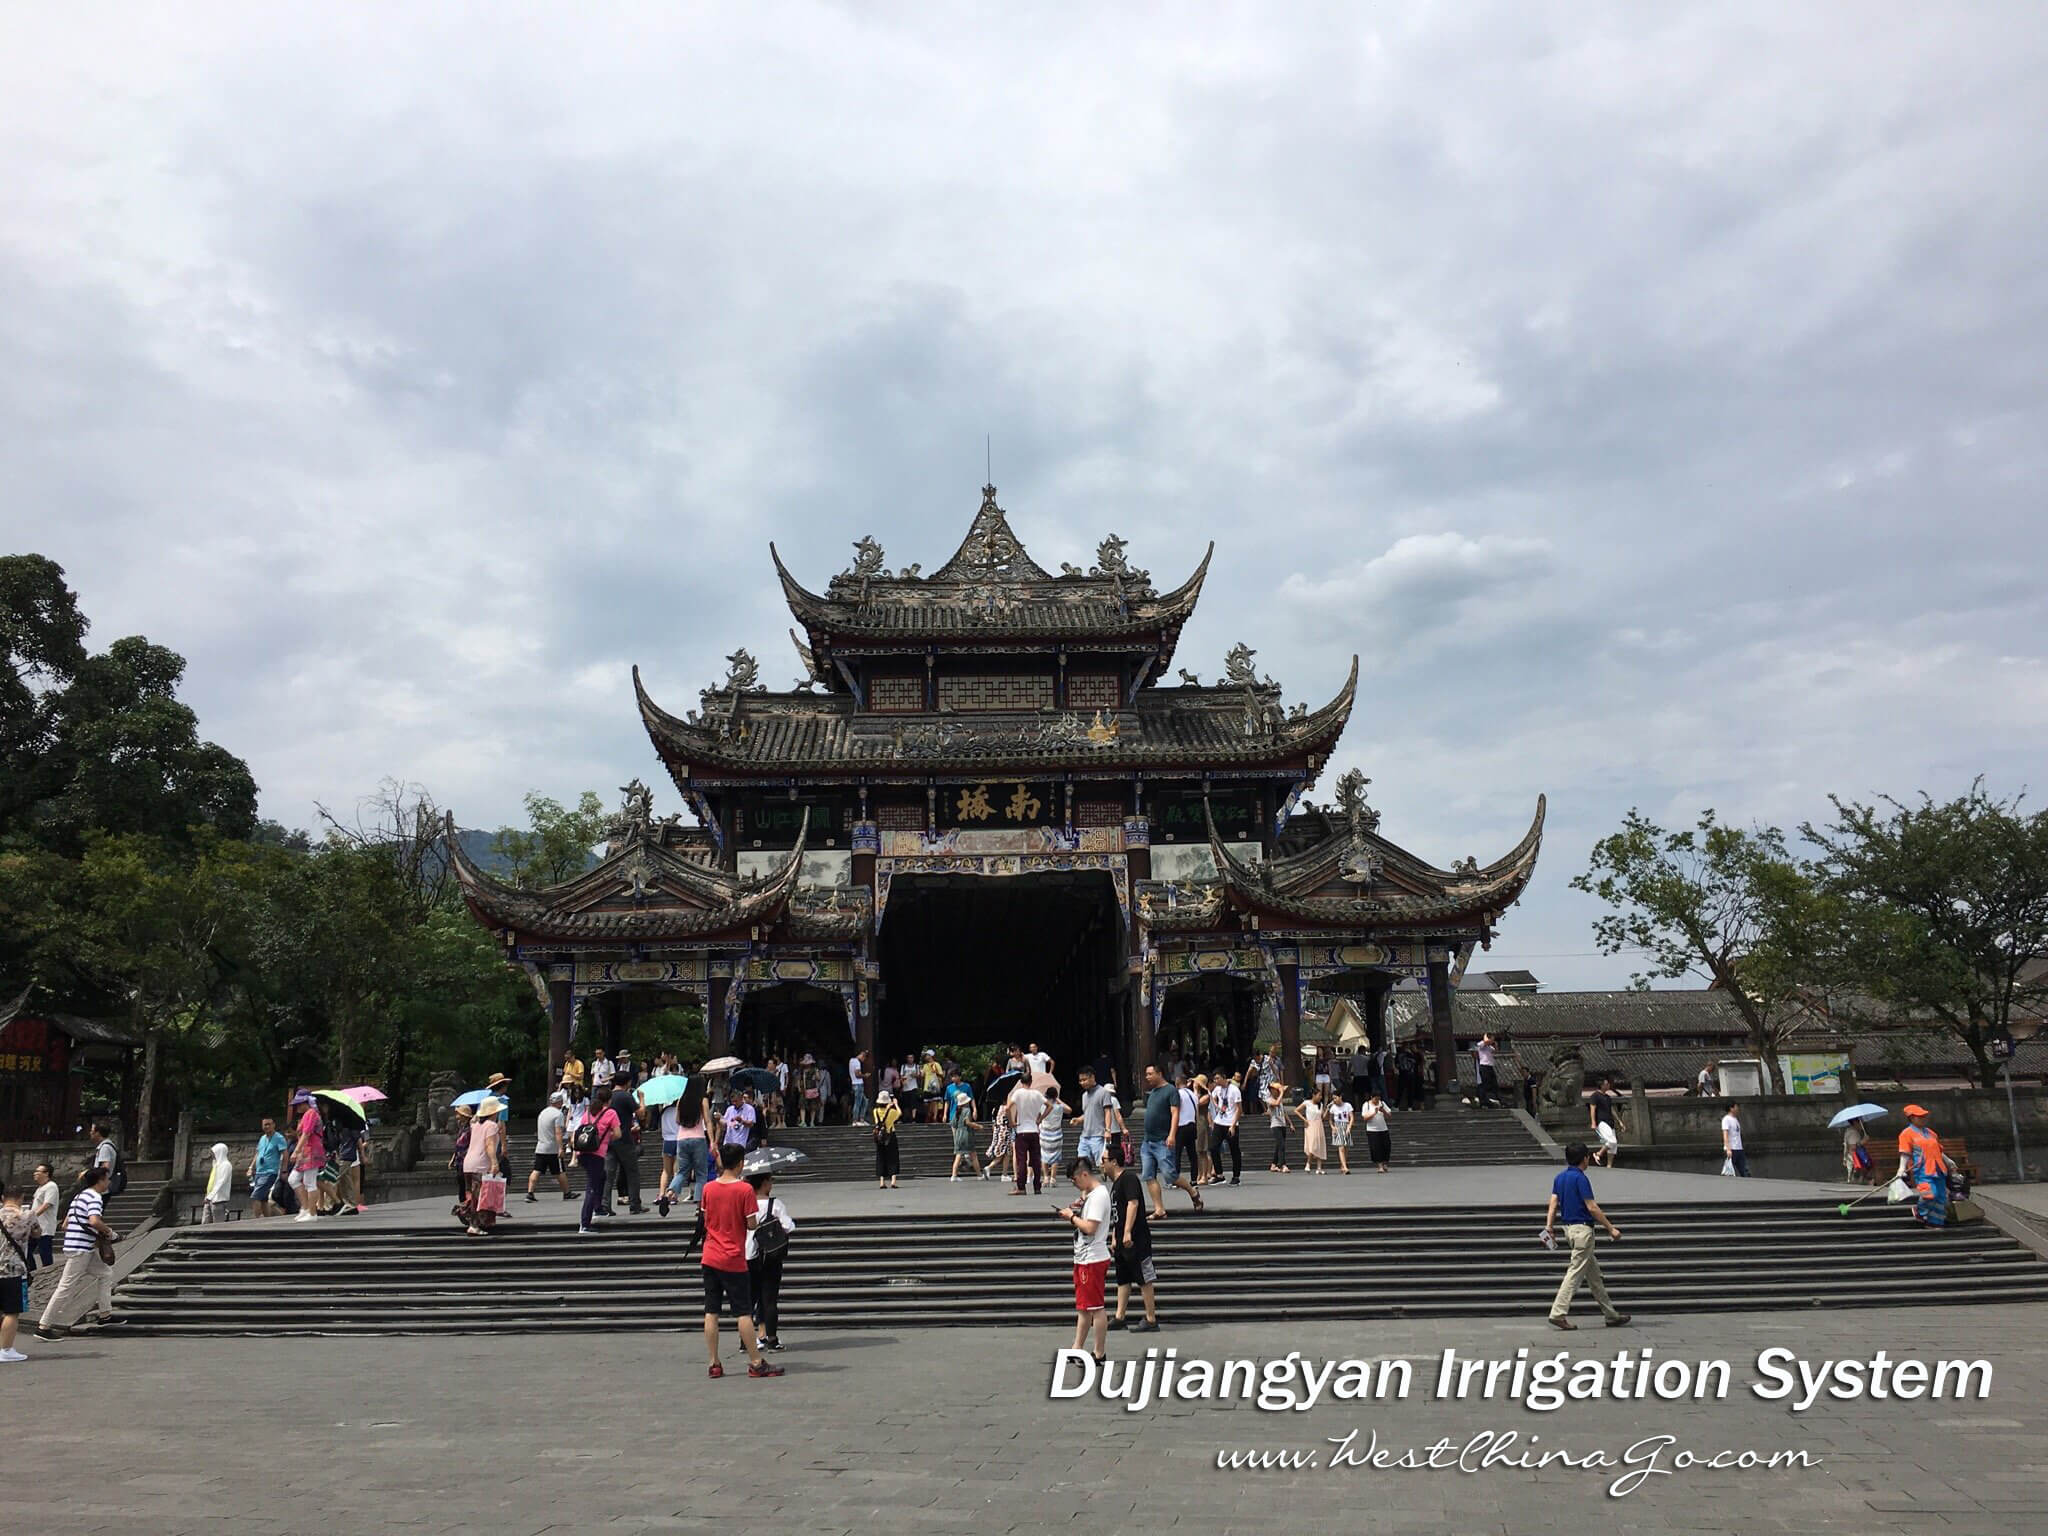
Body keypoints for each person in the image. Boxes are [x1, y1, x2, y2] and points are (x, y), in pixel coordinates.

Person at [700, 1143, 782, 1378]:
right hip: (733, 1257)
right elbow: (751, 1224)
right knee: (743, 1312)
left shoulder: (708, 1188)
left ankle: (714, 1362)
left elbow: (706, 1219)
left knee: (711, 1311)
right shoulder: (744, 1190)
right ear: (740, 1164)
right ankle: (756, 1362)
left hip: (710, 1255)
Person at [1544, 1143, 1630, 1331]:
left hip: (1569, 1230)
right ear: (1585, 1158)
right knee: (1574, 1273)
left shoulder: (1560, 1178)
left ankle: (1611, 1315)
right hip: (1582, 1231)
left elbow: (1552, 1204)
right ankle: (1558, 1313)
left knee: (1594, 1276)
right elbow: (1591, 1207)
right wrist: (1611, 1228)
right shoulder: (1580, 1179)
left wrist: (1549, 1227)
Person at [36, 1165, 117, 1339]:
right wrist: (109, 1232)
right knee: (65, 1287)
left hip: (79, 1247)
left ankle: (105, 1314)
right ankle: (43, 1326)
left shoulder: (79, 1196)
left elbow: (65, 1225)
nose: (108, 1182)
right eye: (107, 1179)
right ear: (100, 1181)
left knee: (105, 1274)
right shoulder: (95, 1197)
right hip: (81, 1250)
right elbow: (94, 1221)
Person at [1057, 1157, 1113, 1364]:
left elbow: (1090, 1228)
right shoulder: (1093, 1194)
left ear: (1084, 1174)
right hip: (1085, 1256)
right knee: (1084, 1307)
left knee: (1095, 1307)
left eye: (1074, 1180)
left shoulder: (1098, 1196)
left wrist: (1072, 1217)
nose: (1075, 1184)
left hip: (1092, 1257)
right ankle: (1077, 1347)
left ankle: (1099, 1352)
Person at [1100, 1143, 1158, 1335]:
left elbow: (1133, 1204)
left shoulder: (1129, 1179)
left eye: (1104, 1161)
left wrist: (1127, 1232)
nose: (1102, 1165)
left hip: (1136, 1238)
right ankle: (1119, 1316)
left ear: (1114, 1162)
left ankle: (1151, 1319)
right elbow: (1118, 1212)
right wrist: (1115, 1236)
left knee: (1143, 1277)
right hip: (1122, 1239)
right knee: (1123, 1278)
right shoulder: (1116, 1184)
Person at [747, 1170, 795, 1352]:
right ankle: (771, 1339)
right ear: (765, 1183)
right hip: (770, 1256)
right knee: (769, 1299)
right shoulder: (775, 1204)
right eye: (770, 1180)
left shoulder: (745, 1203)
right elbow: (789, 1226)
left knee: (750, 1299)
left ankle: (746, 1340)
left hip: (748, 1255)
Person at [1894, 1104, 1957, 1228]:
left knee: (1941, 1197)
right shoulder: (1907, 1134)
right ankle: (1920, 1210)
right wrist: (1901, 1168)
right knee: (1929, 1193)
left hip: (1938, 1169)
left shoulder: (1931, 1133)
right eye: (1919, 1116)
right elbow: (1905, 1152)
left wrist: (1948, 1161)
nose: (1923, 1118)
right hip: (1922, 1170)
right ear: (1911, 1118)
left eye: (1923, 1116)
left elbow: (1939, 1150)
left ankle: (1935, 1222)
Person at [660, 1077, 713, 1215]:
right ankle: (699, 1207)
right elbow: (708, 1121)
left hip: (682, 1139)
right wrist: (712, 1141)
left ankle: (669, 1193)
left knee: (682, 1171)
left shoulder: (680, 1101)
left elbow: (677, 1120)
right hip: (698, 1138)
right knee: (701, 1174)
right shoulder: (702, 1100)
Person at [575, 1090, 621, 1235]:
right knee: (592, 1187)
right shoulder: (611, 1113)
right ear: (610, 1100)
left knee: (602, 1176)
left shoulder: (588, 1112)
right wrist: (606, 1140)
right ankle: (585, 1224)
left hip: (582, 1152)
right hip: (597, 1154)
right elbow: (618, 1134)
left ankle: (598, 1208)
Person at [1, 1179, 37, 1361]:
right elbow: (37, 1233)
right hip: (13, 1270)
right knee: (11, 1311)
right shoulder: (27, 1215)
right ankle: (6, 1350)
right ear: (21, 1197)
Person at [463, 1098, 506, 1236]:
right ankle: (474, 1225)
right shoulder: (491, 1126)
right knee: (479, 1197)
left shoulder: (475, 1125)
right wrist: (494, 1162)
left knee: (473, 1196)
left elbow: (473, 1119)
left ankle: (478, 1222)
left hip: (468, 1163)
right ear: (493, 1112)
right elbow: (490, 1145)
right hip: (480, 1164)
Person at [288, 1091, 326, 1223]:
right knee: (293, 1179)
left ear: (306, 1102)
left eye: (299, 1103)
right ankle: (305, 1207)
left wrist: (296, 1151)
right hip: (305, 1152)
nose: (297, 1106)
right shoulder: (306, 1115)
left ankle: (312, 1212)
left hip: (311, 1151)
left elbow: (307, 1134)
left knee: (310, 1182)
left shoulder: (311, 1114)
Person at [1008, 1073, 1048, 1196]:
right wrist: (1040, 1118)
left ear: (1021, 1082)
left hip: (1022, 1130)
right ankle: (1037, 1186)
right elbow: (1050, 1106)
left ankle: (1021, 1187)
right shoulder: (1037, 1094)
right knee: (1036, 1160)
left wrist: (1011, 1122)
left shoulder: (1018, 1093)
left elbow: (1007, 1108)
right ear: (1031, 1081)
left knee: (1022, 1160)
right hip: (1034, 1130)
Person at [529, 1091, 572, 1202]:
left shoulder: (543, 1113)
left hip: (541, 1147)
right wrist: (561, 1148)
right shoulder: (558, 1114)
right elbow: (558, 1132)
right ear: (559, 1102)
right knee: (560, 1171)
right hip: (552, 1148)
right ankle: (567, 1192)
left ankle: (530, 1193)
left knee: (536, 1170)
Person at [246, 1116, 288, 1218]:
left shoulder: (279, 1138)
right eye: (265, 1124)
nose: (267, 1126)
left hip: (270, 1171)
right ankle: (267, 1219)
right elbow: (258, 1153)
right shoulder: (262, 1138)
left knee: (256, 1196)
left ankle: (255, 1220)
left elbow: (285, 1154)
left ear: (274, 1125)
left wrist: (284, 1170)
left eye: (269, 1124)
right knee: (263, 1199)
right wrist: (251, 1167)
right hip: (259, 1172)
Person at [1207, 1070, 1242, 1185]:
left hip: (1231, 1123)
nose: (1216, 1081)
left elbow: (1239, 1109)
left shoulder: (1234, 1090)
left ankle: (1236, 1176)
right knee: (1213, 1147)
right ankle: (1219, 1174)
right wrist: (1217, 1106)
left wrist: (1233, 1125)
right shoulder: (1217, 1089)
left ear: (1224, 1077)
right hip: (1219, 1121)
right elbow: (1211, 1097)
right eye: (1214, 1079)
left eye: (1217, 1078)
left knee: (1234, 1150)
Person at [946, 1071, 983, 1181]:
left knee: (958, 1154)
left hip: (958, 1134)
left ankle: (953, 1175)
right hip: (966, 1135)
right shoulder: (966, 1111)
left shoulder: (956, 1113)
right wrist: (977, 1126)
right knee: (974, 1155)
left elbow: (953, 1124)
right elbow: (968, 1122)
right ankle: (979, 1175)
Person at [27, 1164, 58, 1275]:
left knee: (45, 1252)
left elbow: (47, 1204)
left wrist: (32, 1217)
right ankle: (33, 1272)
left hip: (45, 1227)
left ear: (46, 1173)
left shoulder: (51, 1186)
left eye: (38, 1171)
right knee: (26, 1250)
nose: (35, 1173)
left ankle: (48, 1275)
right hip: (35, 1226)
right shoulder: (40, 1188)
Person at [871, 1090, 903, 1189]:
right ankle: (893, 1180)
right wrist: (896, 1104)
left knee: (881, 1157)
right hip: (890, 1135)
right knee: (892, 1157)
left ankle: (882, 1181)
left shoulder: (875, 1111)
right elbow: (899, 1113)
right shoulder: (892, 1112)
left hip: (879, 1137)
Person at [1588, 1078, 1624, 1167]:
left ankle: (1609, 1165)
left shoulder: (1607, 1097)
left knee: (1613, 1146)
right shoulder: (1595, 1096)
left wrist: (1619, 1121)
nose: (1608, 1085)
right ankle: (1598, 1154)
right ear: (1602, 1085)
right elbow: (1592, 1109)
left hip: (1610, 1121)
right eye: (1606, 1084)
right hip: (1602, 1121)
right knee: (1612, 1141)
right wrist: (1593, 1122)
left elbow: (1611, 1109)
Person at [1040, 1082, 1068, 1184]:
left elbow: (1038, 1116)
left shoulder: (1043, 1106)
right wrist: (1058, 1100)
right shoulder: (1059, 1107)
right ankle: (1053, 1178)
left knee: (1044, 1155)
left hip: (1044, 1133)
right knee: (1055, 1156)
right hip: (1056, 1133)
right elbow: (1069, 1110)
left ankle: (1046, 1177)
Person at [1360, 1091, 1392, 1174]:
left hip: (1383, 1128)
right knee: (1376, 1148)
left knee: (1386, 1146)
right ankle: (1380, 1166)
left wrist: (1383, 1111)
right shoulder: (1366, 1105)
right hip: (1372, 1130)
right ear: (1371, 1097)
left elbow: (1389, 1115)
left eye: (1378, 1098)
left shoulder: (1382, 1103)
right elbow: (1365, 1118)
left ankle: (1385, 1163)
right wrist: (1374, 1113)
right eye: (1375, 1099)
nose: (1377, 1100)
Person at [1265, 1074, 1291, 1173]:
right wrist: (1281, 1093)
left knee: (1279, 1145)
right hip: (1275, 1125)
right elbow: (1275, 1104)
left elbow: (1283, 1112)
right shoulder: (1269, 1099)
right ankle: (1282, 1165)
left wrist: (1290, 1123)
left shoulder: (1279, 1100)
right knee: (1281, 1145)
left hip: (1282, 1124)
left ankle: (1273, 1164)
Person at [1299, 1086, 1328, 1174]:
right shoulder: (1307, 1103)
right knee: (1312, 1145)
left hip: (1319, 1125)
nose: (1320, 1097)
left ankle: (1319, 1168)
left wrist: (1327, 1109)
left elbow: (1323, 1117)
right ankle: (1308, 1164)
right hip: (1310, 1125)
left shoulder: (1321, 1105)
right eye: (1319, 1095)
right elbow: (1296, 1110)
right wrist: (1305, 1120)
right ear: (1314, 1095)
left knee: (1319, 1145)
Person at [202, 1142, 233, 1223]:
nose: (212, 1155)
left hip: (218, 1199)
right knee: (205, 1222)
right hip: (209, 1198)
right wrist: (208, 1195)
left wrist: (211, 1196)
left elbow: (220, 1182)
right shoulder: (216, 1164)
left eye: (214, 1153)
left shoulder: (226, 1165)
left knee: (218, 1224)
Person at [1470, 1033, 1502, 1107]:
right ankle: (1483, 1100)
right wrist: (1487, 1037)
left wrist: (1495, 1044)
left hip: (1490, 1066)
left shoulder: (1489, 1047)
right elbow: (1484, 1042)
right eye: (1492, 1039)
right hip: (1484, 1066)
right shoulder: (1481, 1044)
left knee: (1494, 1083)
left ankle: (1495, 1098)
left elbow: (1495, 1050)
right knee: (1485, 1084)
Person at [1327, 1091, 1355, 1174]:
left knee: (1346, 1147)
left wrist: (1349, 1127)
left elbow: (1352, 1117)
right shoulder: (1333, 1107)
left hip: (1346, 1125)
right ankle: (1345, 1167)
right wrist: (1332, 1127)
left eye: (1335, 1098)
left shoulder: (1348, 1105)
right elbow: (1330, 1119)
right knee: (1341, 1147)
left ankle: (1343, 1165)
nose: (1334, 1100)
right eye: (1333, 1098)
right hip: (1338, 1126)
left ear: (1340, 1097)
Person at [1720, 1101, 1749, 1178]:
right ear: (1731, 1108)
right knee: (1729, 1171)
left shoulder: (1735, 1119)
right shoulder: (1726, 1119)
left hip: (1739, 1148)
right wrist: (1728, 1149)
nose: (1737, 1108)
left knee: (1744, 1170)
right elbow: (1725, 1134)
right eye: (1736, 1106)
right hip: (1731, 1149)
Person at [1841, 1115, 1872, 1185]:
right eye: (1860, 1122)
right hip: (1854, 1159)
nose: (1862, 1124)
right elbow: (1853, 1147)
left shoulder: (1850, 1131)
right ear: (1855, 1122)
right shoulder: (1853, 1133)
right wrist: (1863, 1141)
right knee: (1856, 1175)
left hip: (1852, 1158)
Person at [848, 1051, 868, 1123]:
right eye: (864, 1059)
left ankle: (861, 1119)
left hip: (854, 1083)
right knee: (858, 1103)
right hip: (858, 1084)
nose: (864, 1061)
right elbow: (857, 1075)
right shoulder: (857, 1062)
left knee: (865, 1101)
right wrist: (864, 1075)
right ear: (863, 1056)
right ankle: (855, 1120)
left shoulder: (851, 1061)